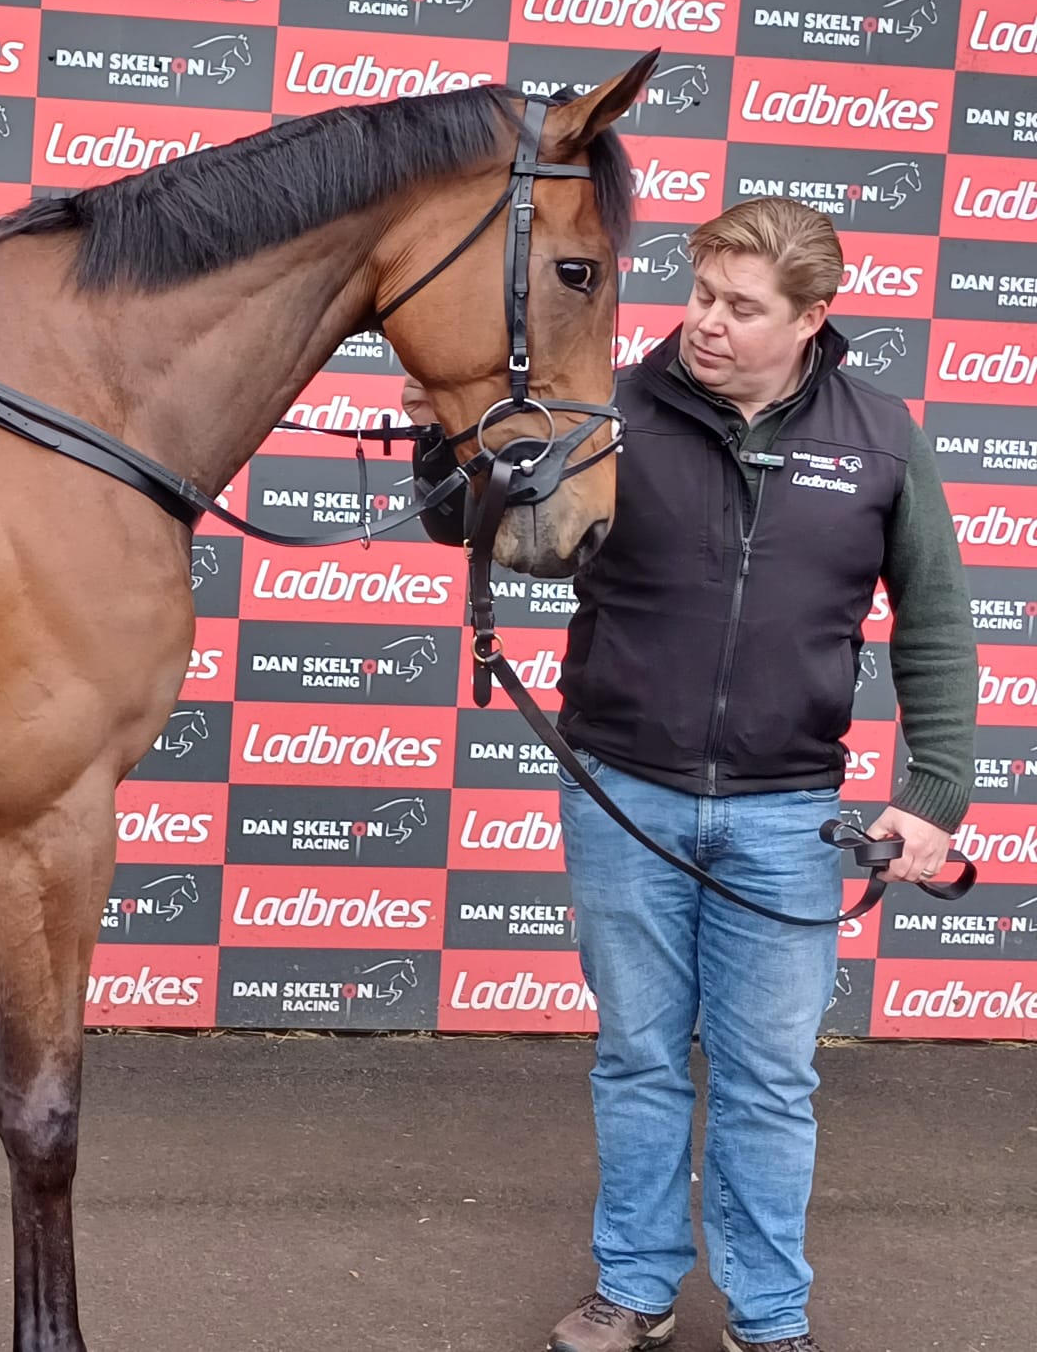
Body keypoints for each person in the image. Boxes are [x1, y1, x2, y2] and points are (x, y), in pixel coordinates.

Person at [403, 197, 978, 1352]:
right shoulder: (605, 410)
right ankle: (634, 1286)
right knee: (638, 1059)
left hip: (788, 815)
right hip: (624, 795)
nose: (705, 323)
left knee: (768, 1080)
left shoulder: (879, 432)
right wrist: (436, 434)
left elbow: (935, 622)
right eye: (700, 295)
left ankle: (768, 1318)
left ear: (812, 317)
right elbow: (459, 524)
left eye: (740, 307)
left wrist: (930, 799)